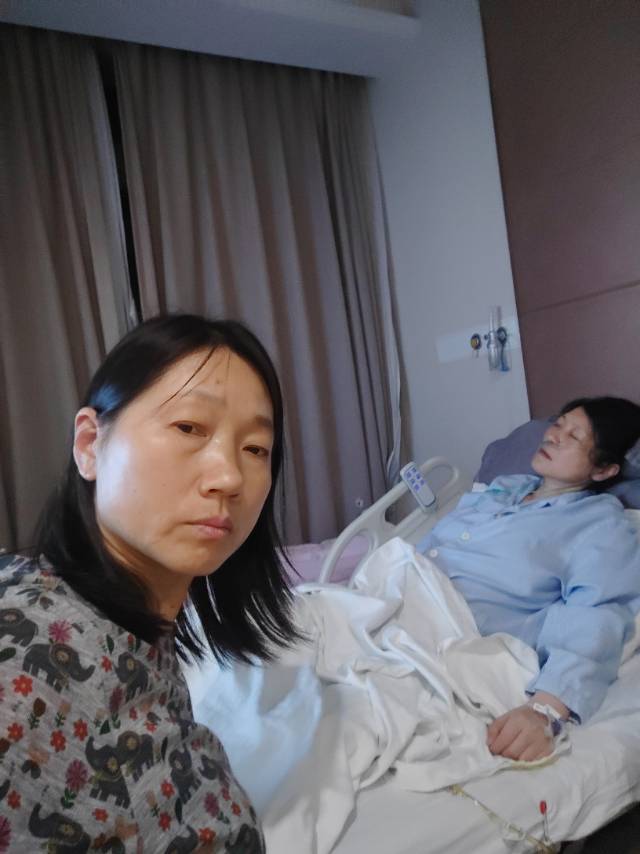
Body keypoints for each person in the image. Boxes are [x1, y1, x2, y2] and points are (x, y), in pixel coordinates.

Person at [0, 314, 300, 852]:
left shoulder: (129, 630)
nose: (230, 476)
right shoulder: (25, 673)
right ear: (90, 444)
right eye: (189, 427)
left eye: (256, 448)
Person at [416, 396, 640, 763]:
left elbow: (595, 616)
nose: (553, 436)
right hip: (396, 596)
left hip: (443, 629)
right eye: (558, 423)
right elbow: (434, 544)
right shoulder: (505, 487)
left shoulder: (599, 525)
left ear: (603, 470)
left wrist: (545, 709)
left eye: (574, 436)